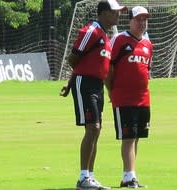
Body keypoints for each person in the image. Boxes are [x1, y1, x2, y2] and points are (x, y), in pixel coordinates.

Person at [60, 0, 126, 189]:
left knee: (96, 130)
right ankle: (82, 178)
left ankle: (89, 175)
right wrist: (74, 82)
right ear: (103, 13)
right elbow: (74, 58)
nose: (118, 15)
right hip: (85, 84)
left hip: (96, 85)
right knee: (93, 128)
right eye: (114, 12)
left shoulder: (105, 36)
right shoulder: (92, 31)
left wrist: (110, 91)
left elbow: (100, 67)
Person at [105, 6, 153, 188]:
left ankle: (131, 175)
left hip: (143, 99)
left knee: (137, 136)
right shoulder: (119, 40)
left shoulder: (148, 44)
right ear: (130, 21)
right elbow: (109, 67)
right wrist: (111, 90)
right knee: (128, 138)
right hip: (124, 99)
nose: (142, 23)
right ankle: (128, 176)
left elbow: (145, 71)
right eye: (138, 19)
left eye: (145, 20)